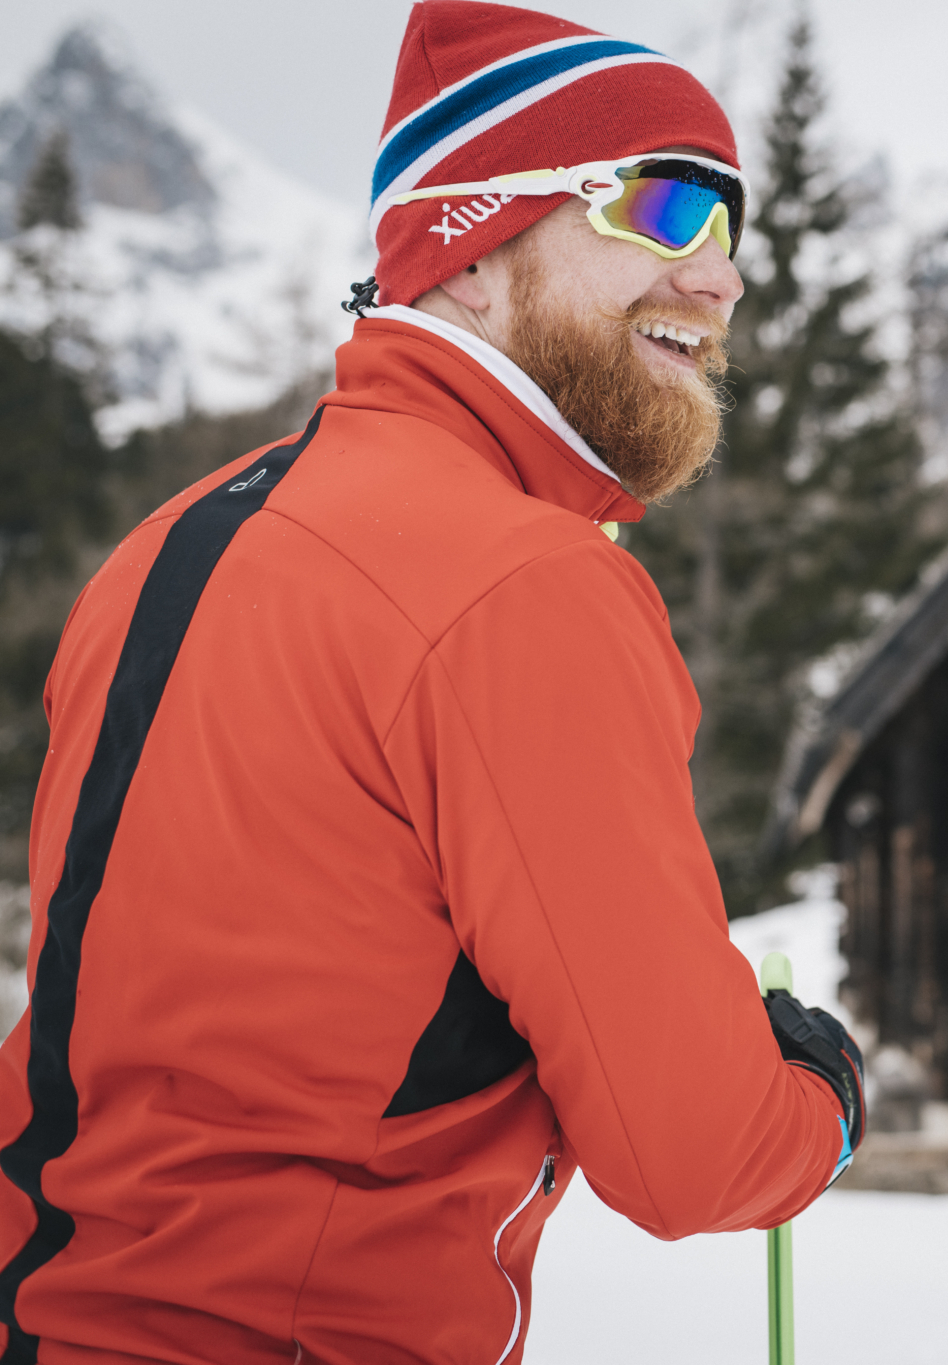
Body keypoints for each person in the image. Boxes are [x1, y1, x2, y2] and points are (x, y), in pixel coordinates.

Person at [0, 4, 864, 1359]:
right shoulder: (521, 584)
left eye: (729, 227)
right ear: (469, 244)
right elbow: (694, 1149)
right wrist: (822, 1088)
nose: (721, 275)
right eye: (662, 204)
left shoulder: (164, 549)